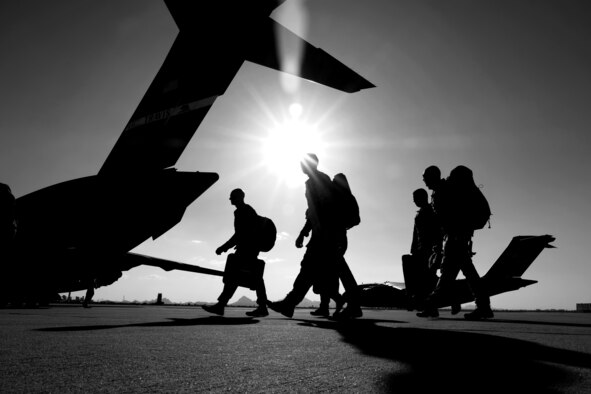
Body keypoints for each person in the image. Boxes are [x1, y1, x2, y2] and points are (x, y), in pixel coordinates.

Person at [268, 154, 362, 319]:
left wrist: (317, 232)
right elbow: (314, 211)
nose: (301, 166)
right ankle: (289, 304)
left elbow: (324, 209)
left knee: (334, 269)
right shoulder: (313, 182)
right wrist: (304, 231)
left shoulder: (320, 181)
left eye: (303, 164)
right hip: (322, 234)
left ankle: (353, 305)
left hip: (328, 235)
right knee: (311, 269)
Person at [418, 166, 494, 320]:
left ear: (433, 176)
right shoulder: (441, 190)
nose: (424, 180)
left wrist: (450, 238)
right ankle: (483, 307)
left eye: (425, 177)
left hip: (455, 238)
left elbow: (450, 218)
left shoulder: (443, 191)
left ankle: (431, 304)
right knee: (464, 273)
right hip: (456, 237)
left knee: (449, 273)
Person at [203, 189, 269, 317]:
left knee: (235, 275)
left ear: (240, 197)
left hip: (247, 249)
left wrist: (224, 247)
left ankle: (221, 305)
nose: (230, 199)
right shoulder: (243, 211)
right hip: (248, 248)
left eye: (232, 197)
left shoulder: (244, 211)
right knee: (246, 276)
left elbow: (241, 233)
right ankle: (261, 307)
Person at [402, 188, 440, 311]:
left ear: (421, 198)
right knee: (425, 277)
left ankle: (423, 303)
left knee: (427, 278)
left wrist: (436, 250)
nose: (414, 202)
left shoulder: (430, 212)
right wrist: (413, 249)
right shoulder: (420, 213)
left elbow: (436, 232)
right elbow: (416, 235)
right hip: (420, 250)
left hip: (427, 250)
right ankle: (423, 303)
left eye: (415, 199)